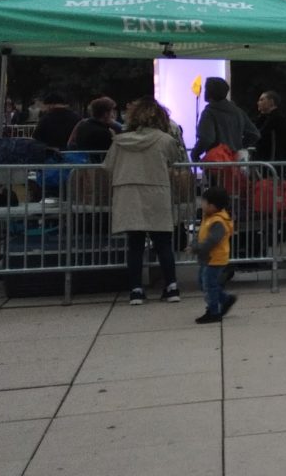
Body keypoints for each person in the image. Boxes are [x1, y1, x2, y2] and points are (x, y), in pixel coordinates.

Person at [105, 98, 189, 306]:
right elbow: (174, 160)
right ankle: (171, 286)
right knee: (163, 244)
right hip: (156, 191)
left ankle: (136, 289)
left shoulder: (120, 141)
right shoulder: (164, 140)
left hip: (129, 193)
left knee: (135, 245)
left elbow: (108, 166)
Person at [192, 185, 237, 324]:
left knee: (209, 285)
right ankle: (225, 299)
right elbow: (201, 234)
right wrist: (194, 244)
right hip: (207, 258)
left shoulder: (218, 221)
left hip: (215, 259)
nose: (201, 204)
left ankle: (213, 311)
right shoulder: (209, 217)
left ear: (212, 206)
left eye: (203, 202)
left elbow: (211, 240)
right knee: (204, 283)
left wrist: (197, 248)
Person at [192, 77, 259, 160]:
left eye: (206, 89)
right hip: (234, 161)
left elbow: (206, 138)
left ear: (209, 92)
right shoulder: (238, 112)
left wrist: (195, 154)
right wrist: (238, 146)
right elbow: (254, 134)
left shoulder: (209, 112)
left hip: (217, 162)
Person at [253, 91, 286, 166]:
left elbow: (260, 134)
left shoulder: (277, 119)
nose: (258, 103)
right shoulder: (264, 119)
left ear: (271, 102)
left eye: (262, 100)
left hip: (275, 162)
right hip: (268, 162)